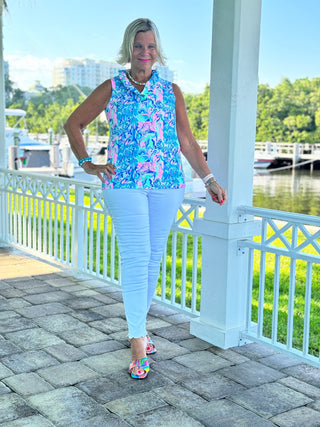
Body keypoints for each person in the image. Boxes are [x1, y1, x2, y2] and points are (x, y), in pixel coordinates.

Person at [64, 18, 227, 379]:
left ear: (158, 50)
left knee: (153, 257)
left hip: (168, 182)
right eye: (139, 46)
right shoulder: (112, 87)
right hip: (124, 183)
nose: (145, 53)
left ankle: (140, 326)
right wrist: (87, 163)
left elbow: (186, 142)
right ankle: (137, 339)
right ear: (130, 49)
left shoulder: (172, 91)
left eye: (151, 46)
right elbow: (73, 124)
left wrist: (210, 179)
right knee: (136, 257)